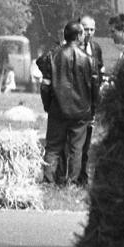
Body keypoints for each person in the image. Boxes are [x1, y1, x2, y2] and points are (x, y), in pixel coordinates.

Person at [42, 21, 98, 185]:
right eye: (83, 33)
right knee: (76, 149)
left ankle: (48, 181)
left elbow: (45, 86)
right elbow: (95, 89)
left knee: (53, 147)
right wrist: (93, 110)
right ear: (79, 35)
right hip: (81, 112)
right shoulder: (90, 60)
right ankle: (72, 183)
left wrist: (48, 105)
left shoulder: (52, 56)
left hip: (57, 110)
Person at [76, 14, 104, 185]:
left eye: (92, 29)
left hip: (91, 101)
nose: (89, 33)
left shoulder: (96, 48)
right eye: (86, 29)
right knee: (74, 140)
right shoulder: (71, 47)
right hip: (75, 101)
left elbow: (99, 71)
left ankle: (82, 175)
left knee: (87, 139)